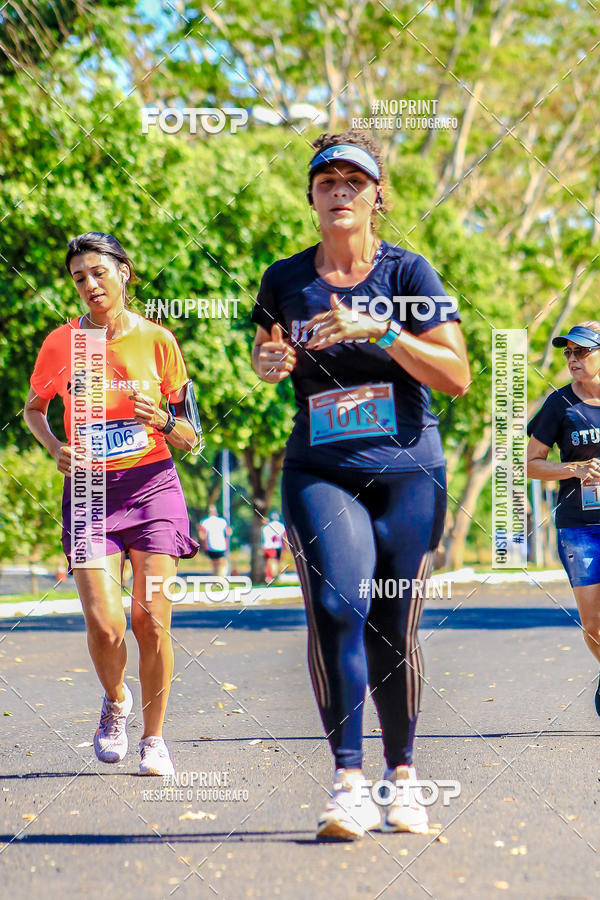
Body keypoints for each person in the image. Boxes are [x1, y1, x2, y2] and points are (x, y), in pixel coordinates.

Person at [251, 131, 470, 840]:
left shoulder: (410, 275)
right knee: (338, 606)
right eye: (327, 182)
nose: (340, 191)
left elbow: (457, 377)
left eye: (355, 180)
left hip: (408, 471)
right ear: (311, 197)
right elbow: (266, 353)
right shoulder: (284, 279)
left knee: (391, 628)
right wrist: (270, 361)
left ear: (379, 195)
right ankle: (347, 781)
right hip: (321, 468)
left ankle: (403, 779)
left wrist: (377, 331)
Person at [24, 232, 203, 776]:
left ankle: (153, 738)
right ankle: (115, 701)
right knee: (105, 627)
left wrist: (164, 421)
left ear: (125, 271)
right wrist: (56, 447)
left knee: (150, 620)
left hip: (152, 489)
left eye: (99, 272)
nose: (90, 285)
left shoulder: (158, 341)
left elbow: (192, 438)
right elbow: (34, 410)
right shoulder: (61, 344)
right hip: (89, 495)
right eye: (79, 278)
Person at [527, 321, 600, 716]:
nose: (573, 359)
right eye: (568, 352)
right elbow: (531, 464)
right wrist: (573, 469)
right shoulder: (559, 406)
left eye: (582, 351)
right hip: (580, 527)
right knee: (593, 625)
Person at [198, 504, 231, 576]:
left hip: (210, 546)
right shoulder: (222, 521)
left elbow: (202, 536)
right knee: (222, 563)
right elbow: (228, 532)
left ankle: (215, 577)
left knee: (214, 563)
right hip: (221, 545)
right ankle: (220, 578)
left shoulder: (204, 522)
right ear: (216, 512)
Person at [261, 511, 286, 583]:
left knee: (270, 562)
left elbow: (264, 538)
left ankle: (270, 577)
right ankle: (274, 576)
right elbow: (284, 537)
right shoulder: (282, 526)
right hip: (278, 546)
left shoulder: (266, 527)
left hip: (268, 546)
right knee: (277, 562)